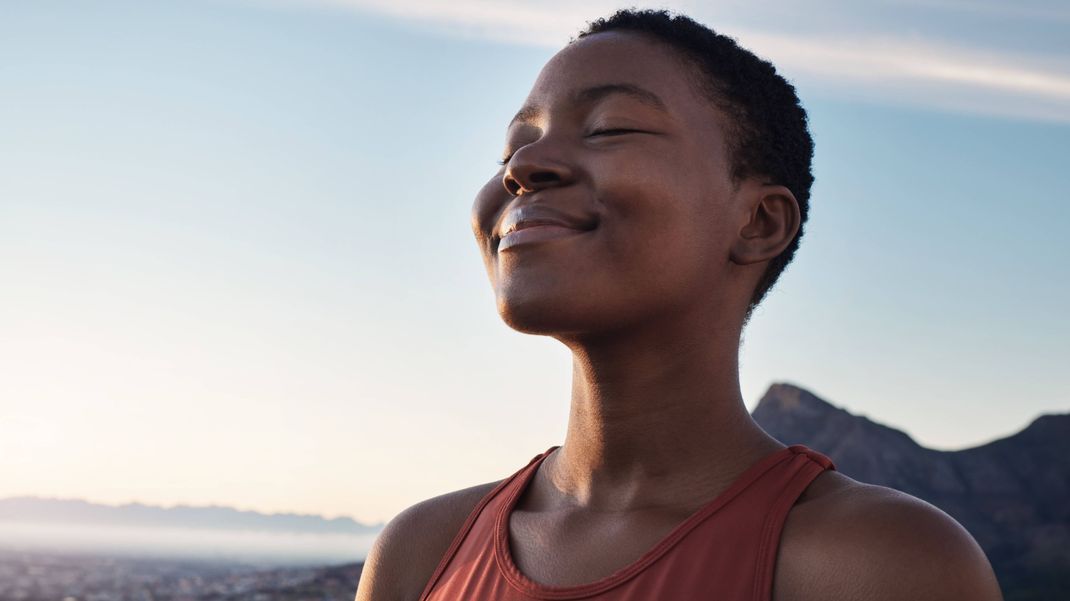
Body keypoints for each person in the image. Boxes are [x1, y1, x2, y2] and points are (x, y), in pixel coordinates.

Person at [356, 8, 1003, 601]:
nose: (522, 167)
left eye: (609, 127)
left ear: (757, 223)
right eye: (512, 147)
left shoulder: (882, 564)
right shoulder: (419, 551)